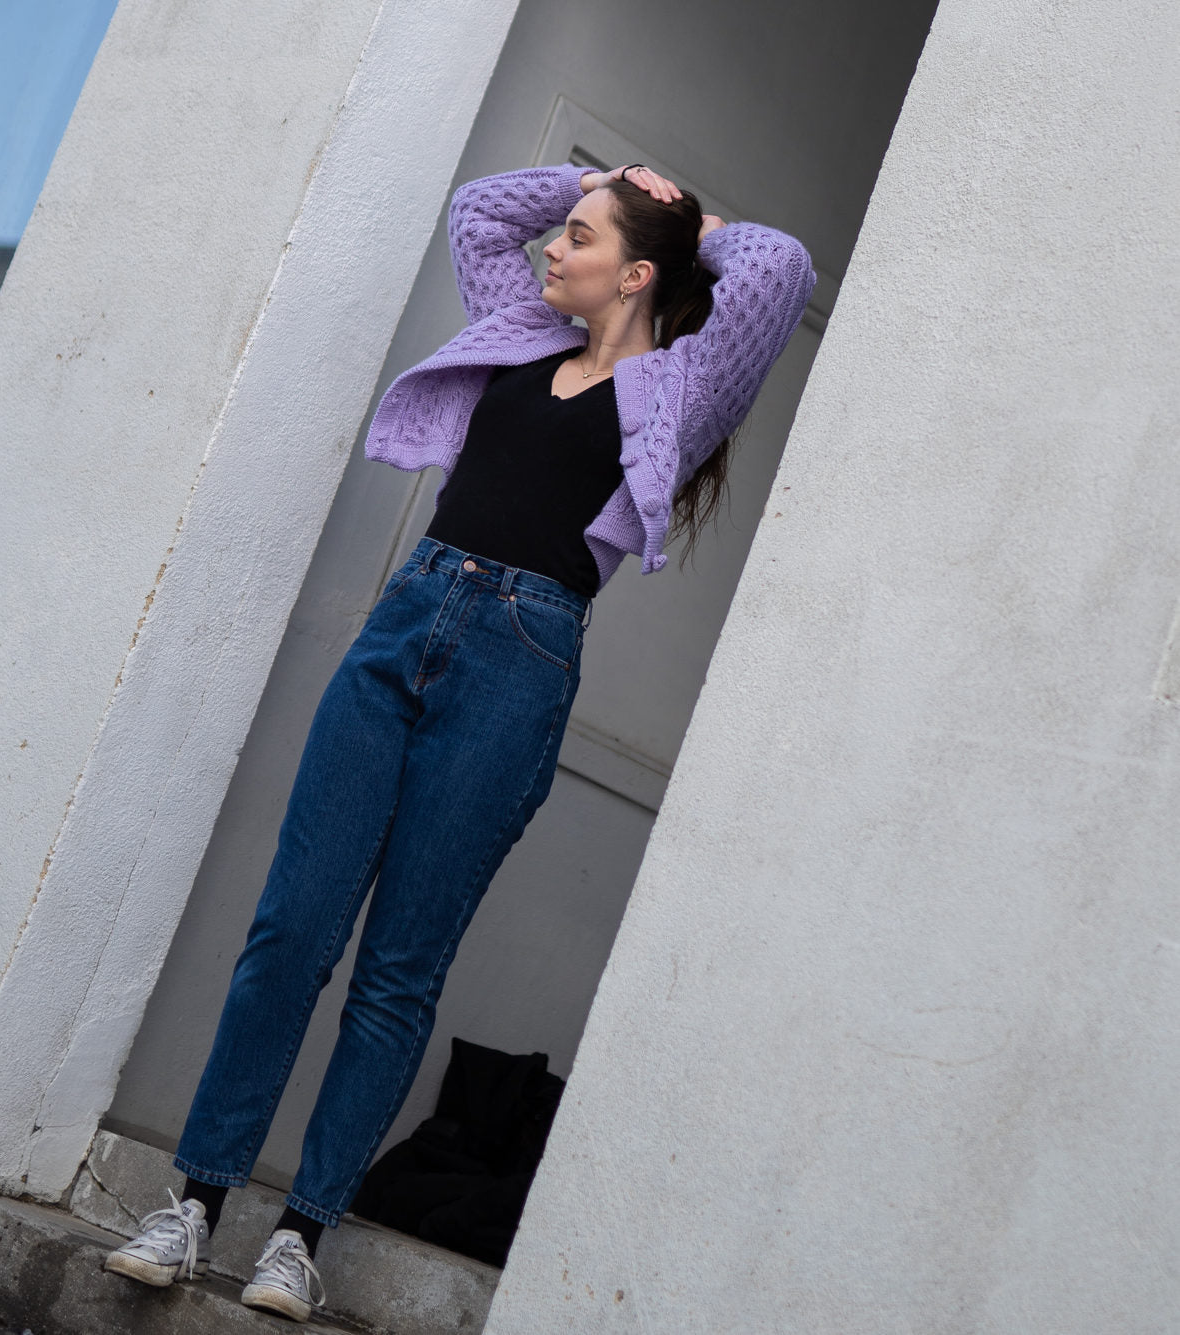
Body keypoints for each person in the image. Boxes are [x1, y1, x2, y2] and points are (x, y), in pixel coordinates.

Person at [103, 160, 814, 1321]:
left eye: (579, 236)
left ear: (635, 274)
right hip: (404, 628)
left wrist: (699, 225)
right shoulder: (520, 332)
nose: (553, 248)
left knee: (397, 974)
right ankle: (194, 1201)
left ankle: (298, 1235)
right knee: (291, 934)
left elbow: (777, 272)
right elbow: (483, 206)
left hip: (518, 666)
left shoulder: (682, 390)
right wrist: (599, 178)